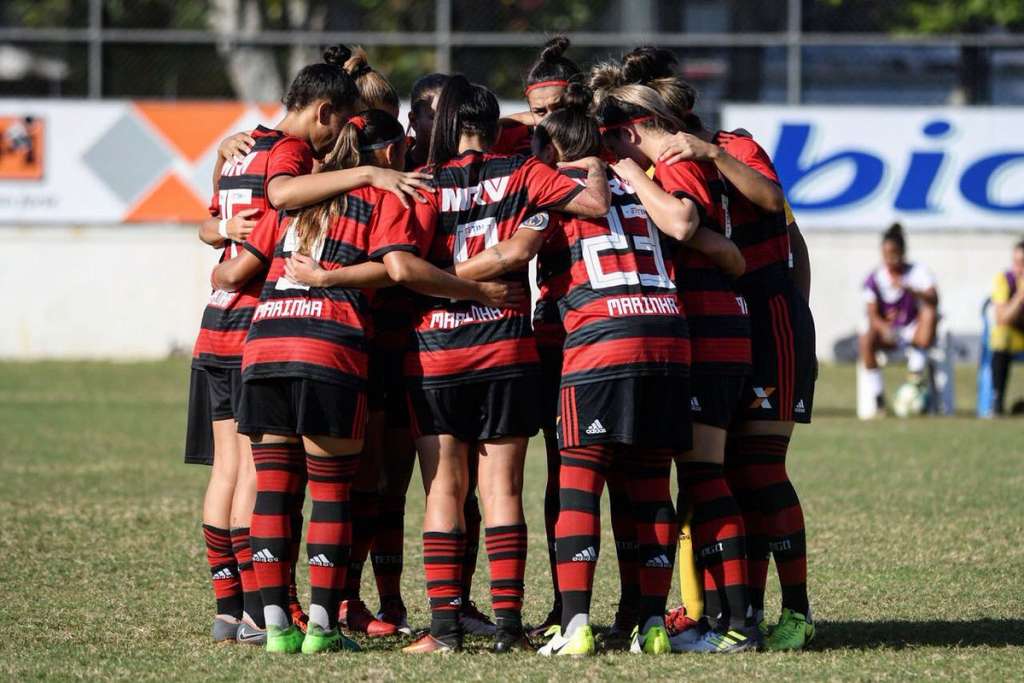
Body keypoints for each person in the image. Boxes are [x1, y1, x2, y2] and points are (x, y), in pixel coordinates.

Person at [210, 109, 514, 654]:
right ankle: (323, 629)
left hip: (264, 349)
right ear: (393, 154)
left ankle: (275, 625)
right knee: (331, 494)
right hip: (328, 348)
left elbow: (234, 251)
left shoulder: (295, 198)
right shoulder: (384, 198)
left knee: (274, 494)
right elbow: (397, 268)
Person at [368, 75, 610, 654]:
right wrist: (590, 169)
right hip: (506, 347)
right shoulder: (523, 173)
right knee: (503, 491)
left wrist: (453, 287)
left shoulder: (422, 185)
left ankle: (445, 631)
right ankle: (507, 629)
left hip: (436, 354)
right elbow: (595, 202)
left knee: (443, 491)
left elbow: (399, 266)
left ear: (446, 124)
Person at [184, 45, 363, 644]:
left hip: (215, 323)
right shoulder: (289, 152)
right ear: (322, 112)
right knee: (258, 479)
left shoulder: (241, 145)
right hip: (253, 326)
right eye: (339, 122)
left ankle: (229, 609)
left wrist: (218, 232)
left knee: (227, 473)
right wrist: (364, 173)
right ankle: (262, 612)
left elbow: (212, 223)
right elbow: (279, 204)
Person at [591, 71, 757, 653]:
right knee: (682, 480)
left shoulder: (676, 160)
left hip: (709, 335)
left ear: (638, 129)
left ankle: (739, 624)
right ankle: (675, 616)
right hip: (695, 333)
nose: (610, 150)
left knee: (705, 477)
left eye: (614, 137)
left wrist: (634, 173)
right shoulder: (666, 163)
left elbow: (685, 223)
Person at [860, 223, 939, 415]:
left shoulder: (917, 272)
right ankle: (878, 398)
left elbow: (934, 299)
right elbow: (871, 313)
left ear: (903, 252)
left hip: (913, 329)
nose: (889, 258)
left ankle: (914, 381)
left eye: (894, 253)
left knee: (929, 314)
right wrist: (883, 327)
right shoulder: (875, 278)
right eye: (886, 253)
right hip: (888, 332)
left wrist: (911, 290)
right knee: (866, 337)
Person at [989, 239, 1024, 415]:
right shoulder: (1004, 280)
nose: (1020, 269)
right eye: (1017, 263)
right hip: (1016, 336)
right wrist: (1019, 297)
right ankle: (997, 400)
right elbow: (1002, 319)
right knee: (1001, 336)